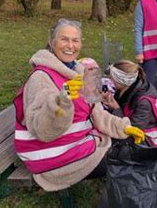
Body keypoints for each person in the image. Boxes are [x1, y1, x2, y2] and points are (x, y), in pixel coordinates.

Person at [12, 18, 145, 192]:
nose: (70, 45)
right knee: (126, 159)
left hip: (76, 144)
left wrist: (123, 127)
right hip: (54, 157)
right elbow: (42, 130)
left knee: (128, 145)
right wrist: (61, 103)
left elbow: (96, 112)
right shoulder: (41, 78)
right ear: (51, 42)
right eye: (64, 39)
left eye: (75, 40)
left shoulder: (80, 71)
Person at [101, 60, 157, 147]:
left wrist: (116, 109)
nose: (110, 80)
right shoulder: (130, 88)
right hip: (140, 131)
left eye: (112, 78)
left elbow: (132, 129)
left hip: (150, 139)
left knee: (107, 141)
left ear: (121, 80)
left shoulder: (144, 102)